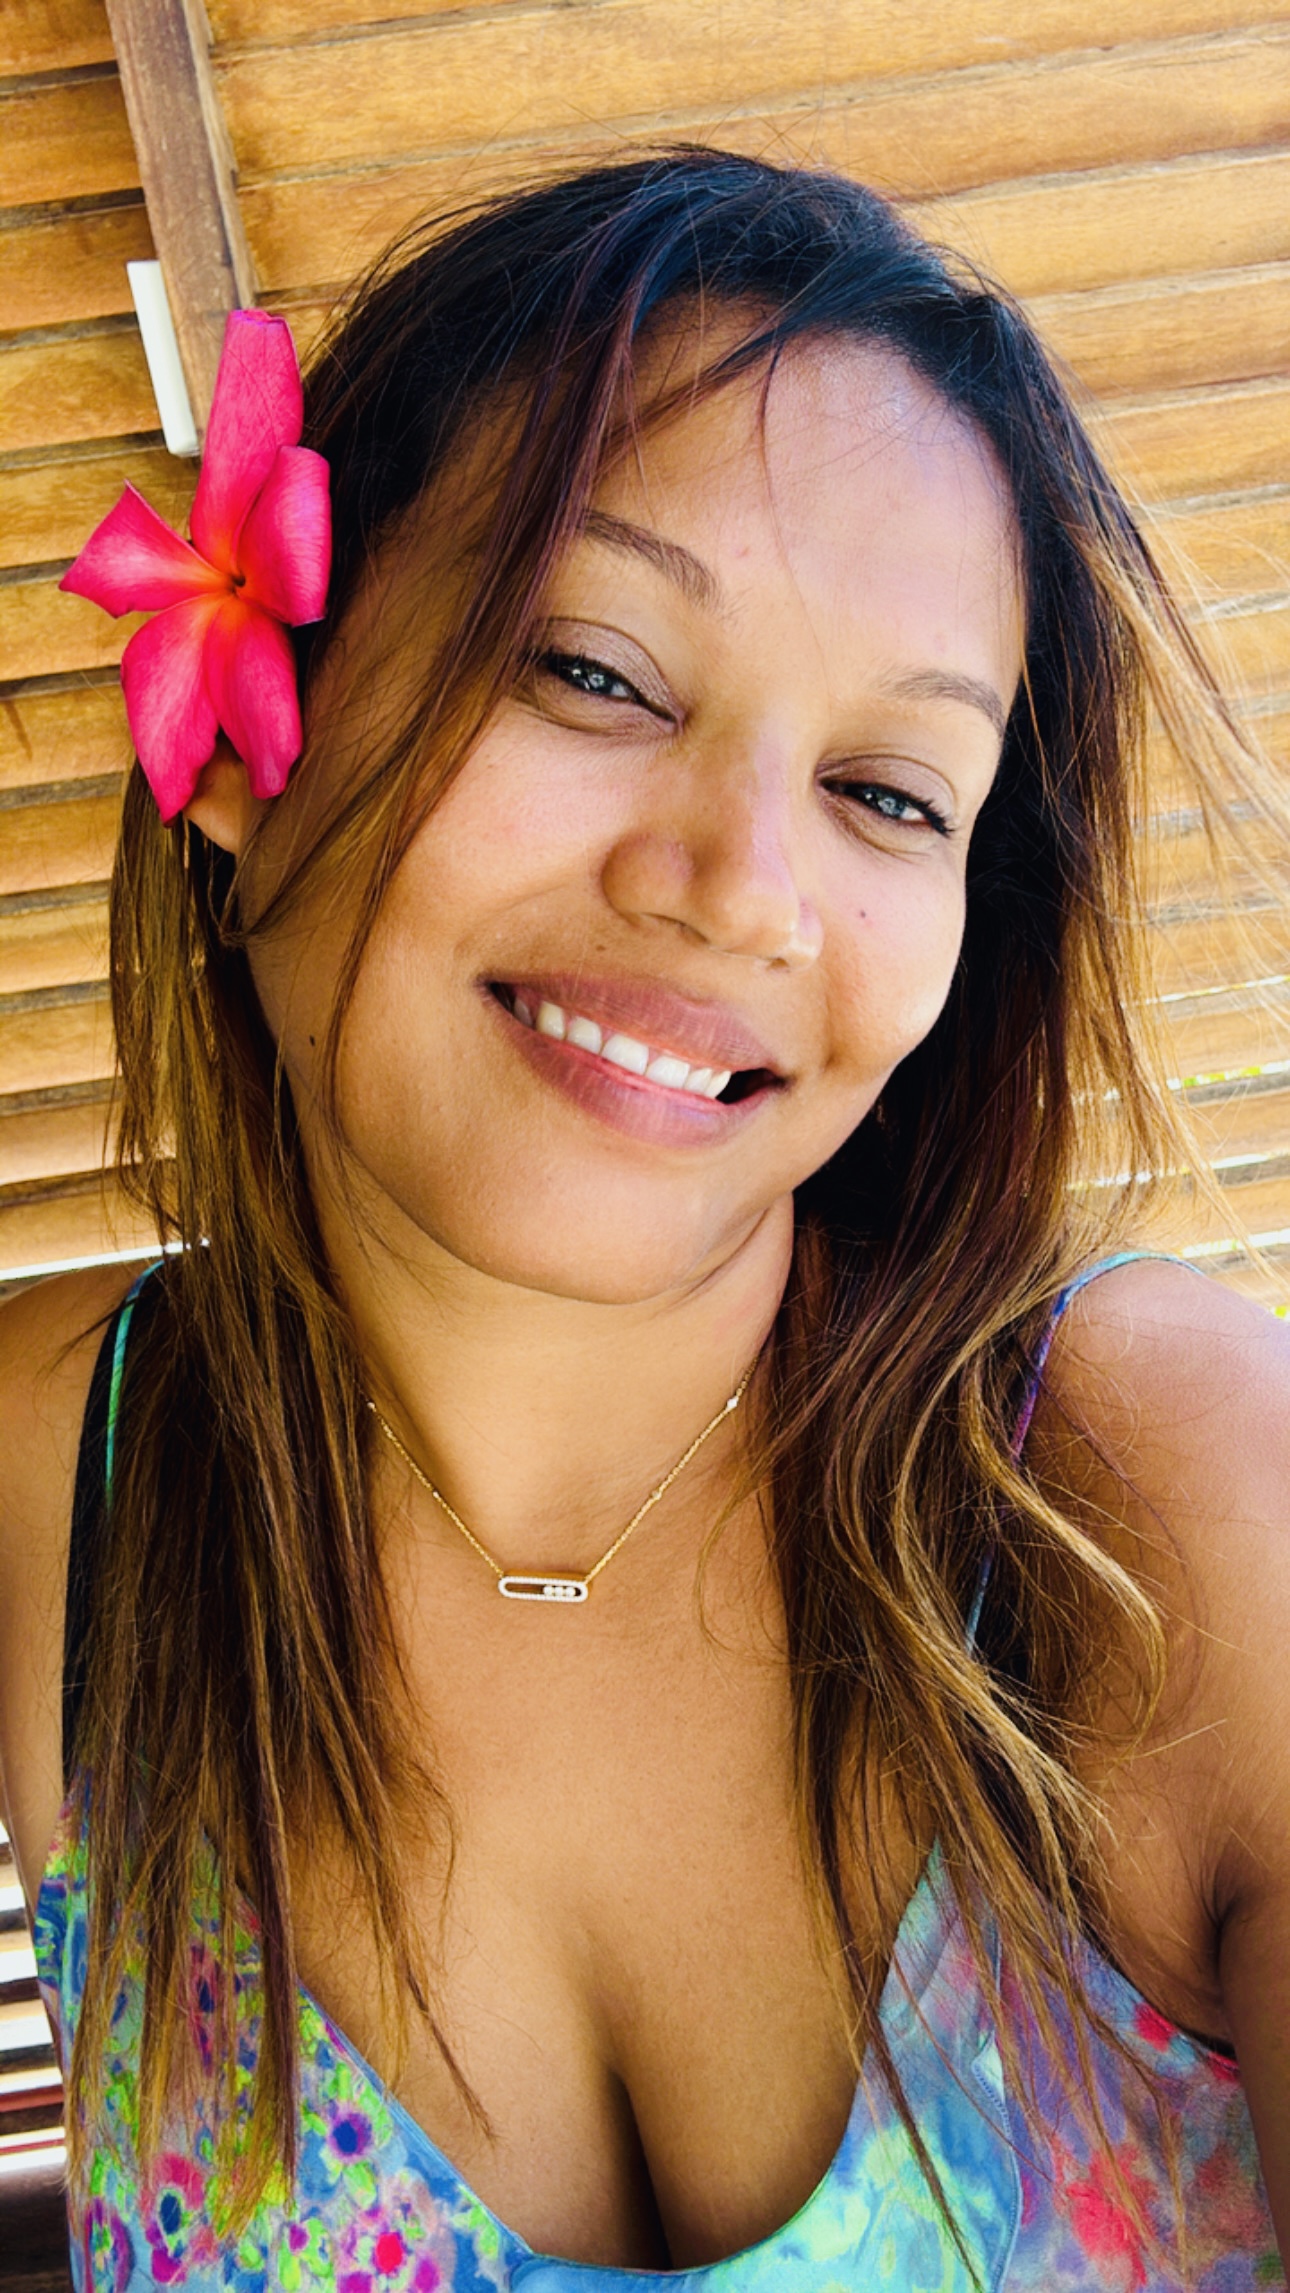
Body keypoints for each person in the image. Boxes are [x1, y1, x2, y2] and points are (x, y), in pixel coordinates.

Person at [0, 150, 1286, 2291]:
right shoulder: (63, 1481)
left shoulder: (1167, 1498)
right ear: (240, 725)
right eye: (595, 670)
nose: (742, 887)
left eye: (888, 794)